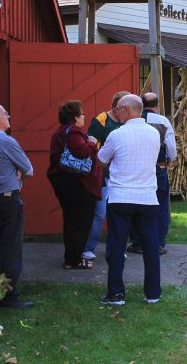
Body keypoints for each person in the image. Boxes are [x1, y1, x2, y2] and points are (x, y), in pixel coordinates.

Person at [98, 95, 162, 306]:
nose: (115, 113)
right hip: (147, 196)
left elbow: (101, 160)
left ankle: (116, 293)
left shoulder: (117, 134)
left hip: (121, 196)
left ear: (126, 110)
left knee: (116, 245)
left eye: (117, 109)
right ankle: (153, 293)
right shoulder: (154, 133)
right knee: (150, 245)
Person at [0, 103, 35, 309]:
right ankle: (10, 296)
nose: (8, 117)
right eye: (4, 114)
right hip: (8, 199)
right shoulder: (6, 141)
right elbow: (28, 169)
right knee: (11, 249)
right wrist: (17, 171)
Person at [47, 100, 102, 270]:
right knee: (81, 221)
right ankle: (74, 258)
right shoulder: (74, 133)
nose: (84, 116)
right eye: (82, 113)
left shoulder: (60, 132)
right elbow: (82, 151)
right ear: (76, 117)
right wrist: (92, 142)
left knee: (71, 220)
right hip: (76, 183)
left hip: (64, 181)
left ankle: (71, 258)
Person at [127, 93, 176, 256]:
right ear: (157, 105)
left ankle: (137, 242)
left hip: (136, 167)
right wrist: (169, 160)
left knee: (136, 203)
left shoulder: (134, 119)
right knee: (160, 205)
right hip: (157, 166)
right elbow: (171, 147)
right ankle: (159, 243)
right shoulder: (162, 121)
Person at [82, 91, 129, 261]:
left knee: (119, 214)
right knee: (100, 213)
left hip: (121, 175)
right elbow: (91, 146)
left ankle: (116, 248)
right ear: (118, 108)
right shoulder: (100, 120)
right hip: (103, 175)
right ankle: (87, 248)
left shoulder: (127, 122)